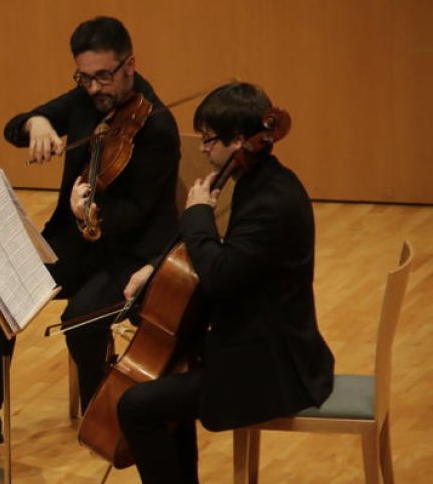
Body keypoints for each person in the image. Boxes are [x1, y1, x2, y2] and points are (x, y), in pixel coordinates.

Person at [0, 15, 181, 449]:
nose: (95, 87)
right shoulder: (85, 101)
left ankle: (111, 416)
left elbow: (139, 213)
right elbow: (14, 127)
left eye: (104, 76)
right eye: (85, 77)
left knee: (80, 318)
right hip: (75, 242)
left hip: (131, 255)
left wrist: (90, 212)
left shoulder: (156, 127)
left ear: (130, 65)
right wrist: (36, 123)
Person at [115, 82, 334, 483]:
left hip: (272, 368)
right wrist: (157, 268)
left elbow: (219, 277)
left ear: (238, 140)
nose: (202, 149)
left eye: (208, 139)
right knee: (165, 391)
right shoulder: (261, 181)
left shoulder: (269, 203)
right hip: (261, 344)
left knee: (136, 406)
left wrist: (197, 214)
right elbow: (229, 267)